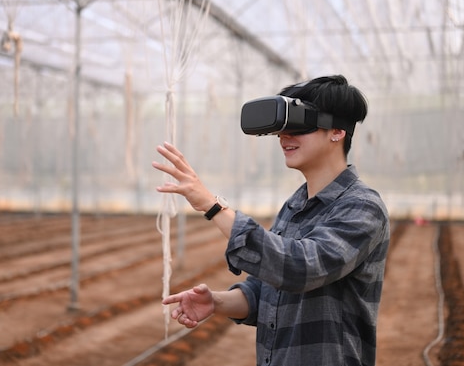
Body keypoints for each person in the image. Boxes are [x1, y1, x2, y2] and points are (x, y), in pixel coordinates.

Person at [151, 75, 390, 366]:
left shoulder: (362, 207)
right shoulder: (294, 205)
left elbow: (300, 269)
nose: (284, 137)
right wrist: (216, 302)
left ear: (337, 131)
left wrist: (213, 207)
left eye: (298, 126)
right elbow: (266, 291)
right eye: (281, 129)